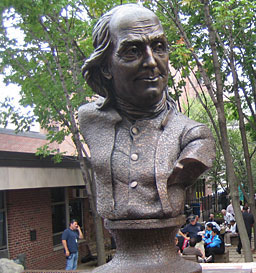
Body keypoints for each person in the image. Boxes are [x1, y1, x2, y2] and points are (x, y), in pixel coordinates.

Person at [79, 4, 214, 221]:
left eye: (159, 47)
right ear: (105, 66)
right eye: (132, 51)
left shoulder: (195, 136)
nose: (151, 61)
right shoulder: (90, 119)